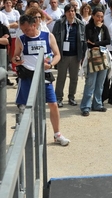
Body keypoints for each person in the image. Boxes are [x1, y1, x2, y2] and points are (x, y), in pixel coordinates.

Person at [12, 14, 70, 146]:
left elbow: (57, 55)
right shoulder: (21, 39)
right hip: (27, 76)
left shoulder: (48, 36)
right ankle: (30, 134)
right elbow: (14, 57)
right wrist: (16, 60)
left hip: (44, 75)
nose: (24, 32)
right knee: (26, 107)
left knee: (53, 104)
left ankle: (57, 134)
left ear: (34, 25)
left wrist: (50, 65)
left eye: (27, 29)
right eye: (22, 29)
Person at [52, 4, 86, 107]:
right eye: (69, 11)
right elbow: (53, 38)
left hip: (75, 55)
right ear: (65, 13)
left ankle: (71, 97)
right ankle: (58, 98)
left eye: (73, 11)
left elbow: (83, 41)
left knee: (74, 78)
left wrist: (83, 55)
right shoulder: (59, 23)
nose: (71, 13)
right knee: (61, 77)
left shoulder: (80, 24)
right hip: (63, 55)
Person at [80, 8, 111, 116]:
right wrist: (97, 29)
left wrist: (96, 43)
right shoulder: (88, 27)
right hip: (92, 56)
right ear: (93, 16)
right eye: (98, 16)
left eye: (101, 16)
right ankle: (85, 106)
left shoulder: (104, 27)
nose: (100, 18)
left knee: (100, 82)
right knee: (90, 82)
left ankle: (97, 104)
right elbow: (90, 40)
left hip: (103, 55)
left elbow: (108, 40)